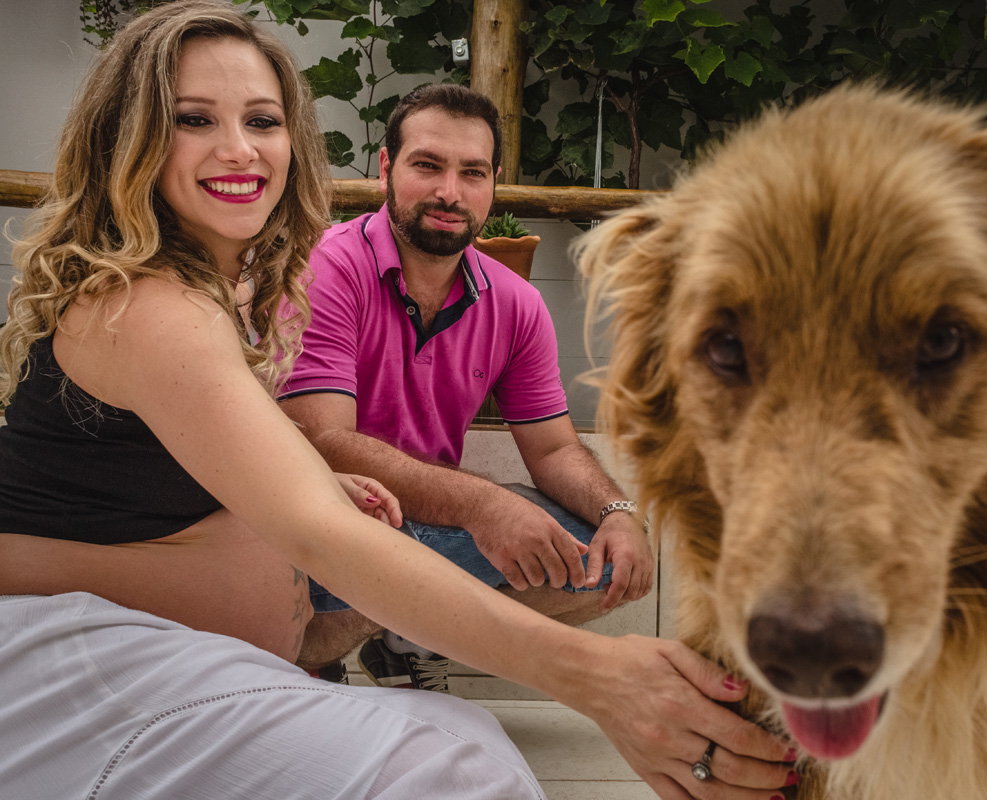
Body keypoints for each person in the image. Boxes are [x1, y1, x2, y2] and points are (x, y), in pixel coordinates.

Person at [0, 2, 796, 798]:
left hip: (189, 636)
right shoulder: (164, 307)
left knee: (469, 726)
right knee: (456, 769)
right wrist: (598, 677)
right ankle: (375, 644)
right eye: (194, 119)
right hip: (93, 663)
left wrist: (620, 513)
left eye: (263, 120)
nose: (238, 148)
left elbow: (158, 463)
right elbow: (317, 517)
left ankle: (392, 641)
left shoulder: (221, 287)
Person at [277, 83, 654, 688]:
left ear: (493, 184)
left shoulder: (516, 303)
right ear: (385, 169)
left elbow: (555, 449)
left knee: (605, 561)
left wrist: (620, 512)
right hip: (319, 525)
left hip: (424, 523)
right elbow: (323, 442)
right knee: (408, 533)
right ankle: (321, 646)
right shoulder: (326, 267)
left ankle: (406, 632)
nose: (450, 193)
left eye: (472, 172)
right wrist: (486, 506)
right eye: (427, 165)